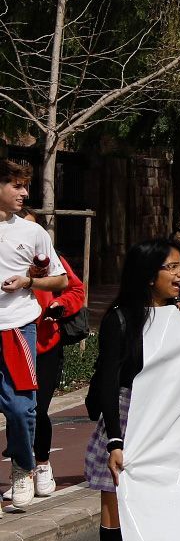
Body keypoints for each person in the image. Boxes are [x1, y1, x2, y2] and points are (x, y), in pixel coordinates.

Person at [83, 239, 180, 541]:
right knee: (113, 515)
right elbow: (109, 381)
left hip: (172, 424)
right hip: (127, 421)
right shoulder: (120, 319)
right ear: (150, 275)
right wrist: (115, 440)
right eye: (173, 267)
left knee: (169, 513)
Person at [0, 161, 68, 509]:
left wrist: (28, 281)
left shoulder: (32, 232)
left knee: (22, 408)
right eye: (15, 185)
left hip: (17, 326)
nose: (24, 193)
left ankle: (24, 467)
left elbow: (62, 280)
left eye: (24, 186)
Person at [20, 212, 83, 508]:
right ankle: (23, 470)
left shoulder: (49, 257)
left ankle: (42, 463)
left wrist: (60, 304)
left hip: (45, 344)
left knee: (37, 408)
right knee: (18, 411)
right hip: (11, 342)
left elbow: (75, 289)